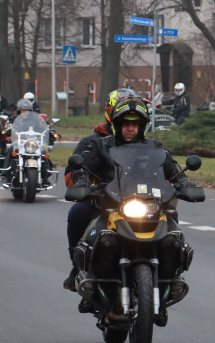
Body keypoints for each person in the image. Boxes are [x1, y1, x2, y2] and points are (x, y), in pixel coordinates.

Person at [63, 92, 195, 293]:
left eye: (135, 124)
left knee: (172, 220)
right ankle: (77, 265)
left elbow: (171, 167)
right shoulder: (99, 145)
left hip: (148, 201)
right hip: (108, 202)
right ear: (117, 124)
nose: (130, 128)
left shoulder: (154, 147)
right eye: (125, 124)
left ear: (142, 126)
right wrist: (82, 182)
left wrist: (185, 182)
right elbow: (80, 167)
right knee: (77, 213)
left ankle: (172, 275)